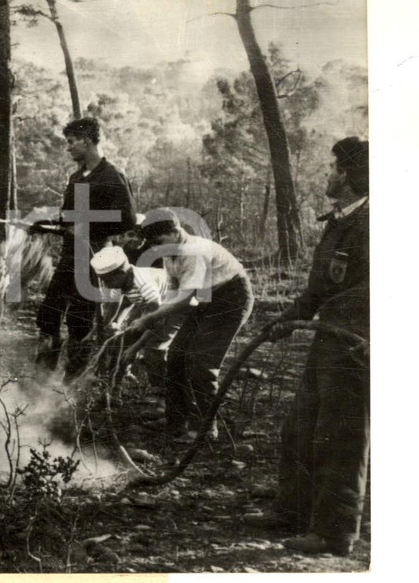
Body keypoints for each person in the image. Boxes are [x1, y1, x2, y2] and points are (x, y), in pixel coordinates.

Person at [244, 138, 369, 556]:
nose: (328, 174)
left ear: (347, 174)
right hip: (329, 341)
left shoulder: (376, 223)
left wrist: (355, 329)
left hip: (355, 346)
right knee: (300, 427)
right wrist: (285, 319)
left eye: (333, 167)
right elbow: (319, 289)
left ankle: (335, 532)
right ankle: (293, 510)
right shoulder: (339, 222)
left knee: (341, 437)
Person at [127, 208, 253, 443]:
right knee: (176, 355)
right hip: (206, 300)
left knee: (201, 364)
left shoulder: (192, 251)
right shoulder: (169, 252)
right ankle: (176, 421)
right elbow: (174, 294)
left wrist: (148, 319)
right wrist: (155, 318)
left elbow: (185, 298)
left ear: (175, 232)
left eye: (158, 242)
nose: (155, 248)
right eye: (152, 244)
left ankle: (205, 428)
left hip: (231, 299)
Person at [29, 116, 136, 379]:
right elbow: (69, 218)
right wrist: (45, 225)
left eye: (72, 142)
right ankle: (41, 382)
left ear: (87, 140)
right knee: (48, 315)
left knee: (80, 322)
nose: (68, 148)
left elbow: (127, 219)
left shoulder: (112, 175)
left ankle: (70, 388)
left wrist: (88, 226)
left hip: (95, 258)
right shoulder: (77, 177)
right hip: (70, 256)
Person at [90, 244, 179, 399]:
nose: (105, 285)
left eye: (106, 280)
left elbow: (157, 321)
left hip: (174, 308)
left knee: (154, 350)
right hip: (151, 309)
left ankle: (161, 398)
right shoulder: (125, 280)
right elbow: (122, 303)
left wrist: (136, 347)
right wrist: (107, 326)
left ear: (121, 273)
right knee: (122, 342)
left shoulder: (144, 285)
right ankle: (113, 391)